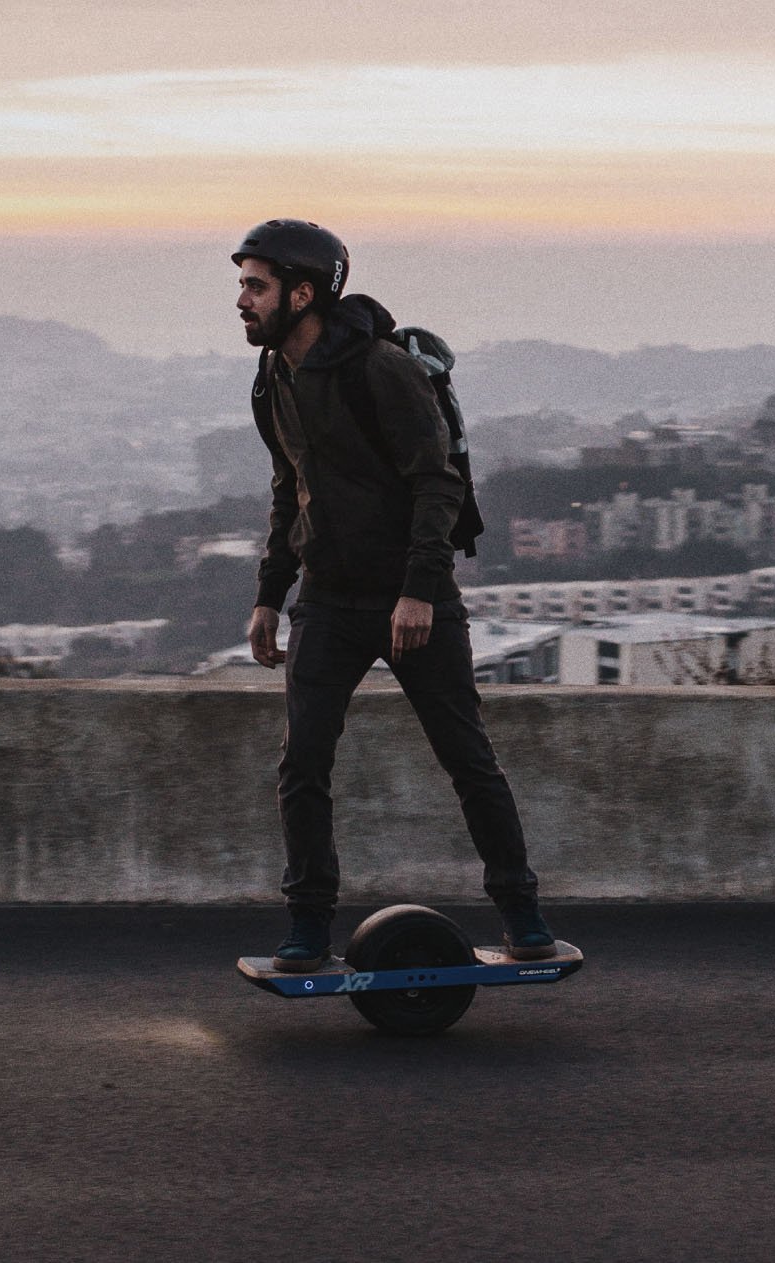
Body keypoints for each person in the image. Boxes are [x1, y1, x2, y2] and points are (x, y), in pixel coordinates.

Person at [231, 218, 554, 970]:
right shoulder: (273, 377)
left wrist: (418, 591)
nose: (242, 300)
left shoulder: (379, 369)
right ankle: (308, 923)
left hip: (415, 602)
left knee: (467, 759)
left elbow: (437, 482)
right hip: (328, 599)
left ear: (302, 293)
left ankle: (522, 911)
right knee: (302, 764)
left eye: (256, 285)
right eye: (242, 285)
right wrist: (269, 594)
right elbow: (291, 491)